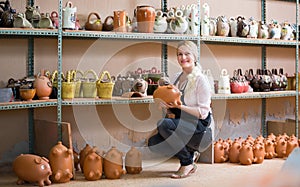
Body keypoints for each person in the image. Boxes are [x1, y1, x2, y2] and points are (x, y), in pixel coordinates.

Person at [148, 40, 213, 179]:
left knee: (163, 125)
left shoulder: (201, 80)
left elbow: (203, 114)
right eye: (179, 54)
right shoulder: (176, 78)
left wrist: (179, 106)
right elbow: (173, 110)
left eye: (187, 54)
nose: (183, 58)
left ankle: (187, 162)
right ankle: (189, 153)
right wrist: (166, 107)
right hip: (182, 125)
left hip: (200, 129)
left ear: (194, 56)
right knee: (153, 143)